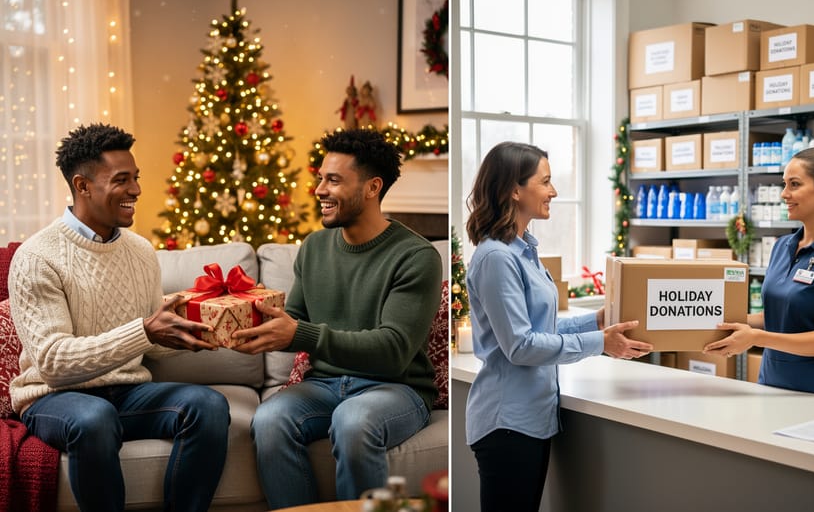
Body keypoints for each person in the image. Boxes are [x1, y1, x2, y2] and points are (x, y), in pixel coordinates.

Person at [7, 123, 231, 512]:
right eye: (122, 180)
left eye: (136, 178)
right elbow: (53, 363)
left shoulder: (141, 250)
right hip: (55, 397)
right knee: (94, 418)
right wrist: (145, 330)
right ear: (83, 186)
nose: (137, 191)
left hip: (127, 393)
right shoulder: (36, 257)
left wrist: (201, 334)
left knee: (208, 406)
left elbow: (152, 342)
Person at [231, 128, 442, 508]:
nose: (320, 190)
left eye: (333, 180)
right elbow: (294, 318)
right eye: (320, 178)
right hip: (324, 384)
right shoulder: (314, 246)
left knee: (353, 421)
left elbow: (393, 350)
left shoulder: (416, 256)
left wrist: (301, 333)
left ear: (372, 187)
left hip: (395, 388)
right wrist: (249, 326)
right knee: (269, 420)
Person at [464, 141, 653, 512]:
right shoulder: (497, 259)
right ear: (514, 190)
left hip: (531, 421)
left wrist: (595, 321)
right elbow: (521, 346)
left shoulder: (523, 250)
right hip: (507, 425)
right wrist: (599, 343)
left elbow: (541, 327)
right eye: (545, 181)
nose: (554, 191)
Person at [705, 147, 814, 398]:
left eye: (794, 184)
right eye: (784, 184)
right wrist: (716, 321)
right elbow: (777, 315)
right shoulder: (783, 246)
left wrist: (757, 338)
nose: (784, 194)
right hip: (771, 385)